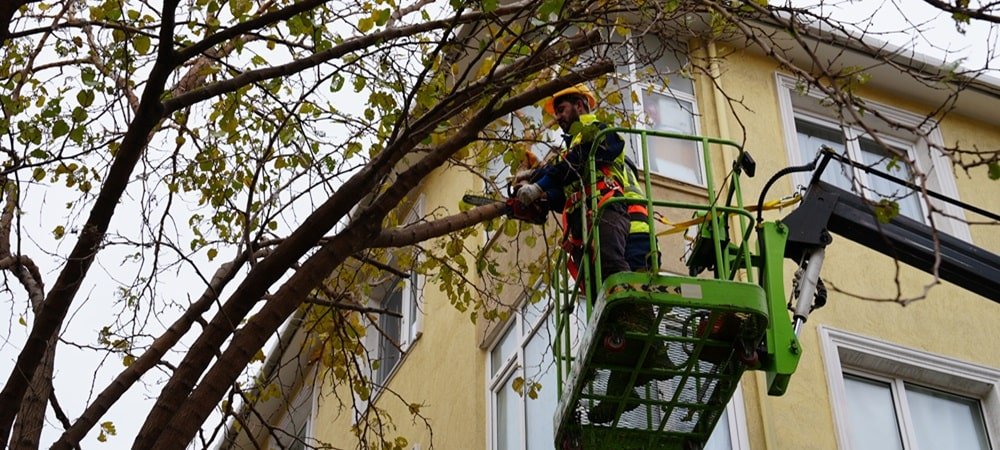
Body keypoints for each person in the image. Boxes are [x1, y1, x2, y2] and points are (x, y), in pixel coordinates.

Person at [515, 84, 670, 424]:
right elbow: (562, 186)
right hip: (603, 226)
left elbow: (581, 160)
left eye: (563, 107)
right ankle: (621, 392)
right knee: (614, 311)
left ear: (582, 104)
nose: (558, 116)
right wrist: (535, 194)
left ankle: (657, 352)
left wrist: (540, 181)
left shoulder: (599, 134)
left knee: (620, 283)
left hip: (625, 225)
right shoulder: (576, 156)